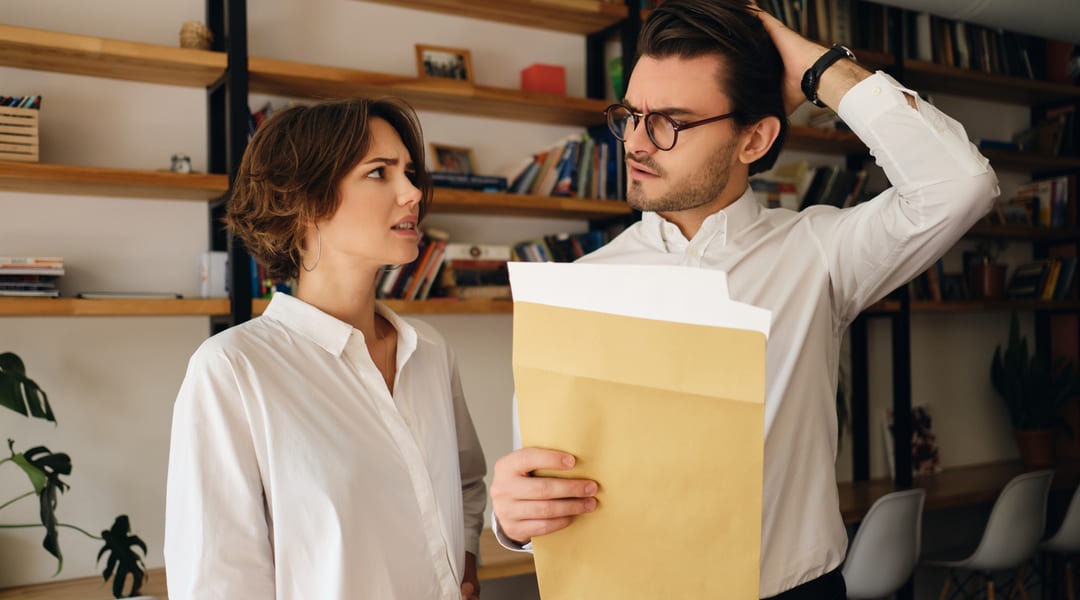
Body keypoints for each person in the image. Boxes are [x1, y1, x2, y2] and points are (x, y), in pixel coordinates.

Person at [489, 1, 998, 598]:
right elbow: (541, 476)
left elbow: (959, 184)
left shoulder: (819, 254)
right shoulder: (580, 285)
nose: (635, 142)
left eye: (669, 122)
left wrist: (814, 66)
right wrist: (512, 520)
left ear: (753, 138)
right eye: (630, 115)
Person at [164, 97, 487, 600]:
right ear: (307, 199)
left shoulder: (430, 351)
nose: (412, 192)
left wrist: (464, 570)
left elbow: (467, 485)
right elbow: (219, 580)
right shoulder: (232, 370)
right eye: (380, 173)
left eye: (410, 171)